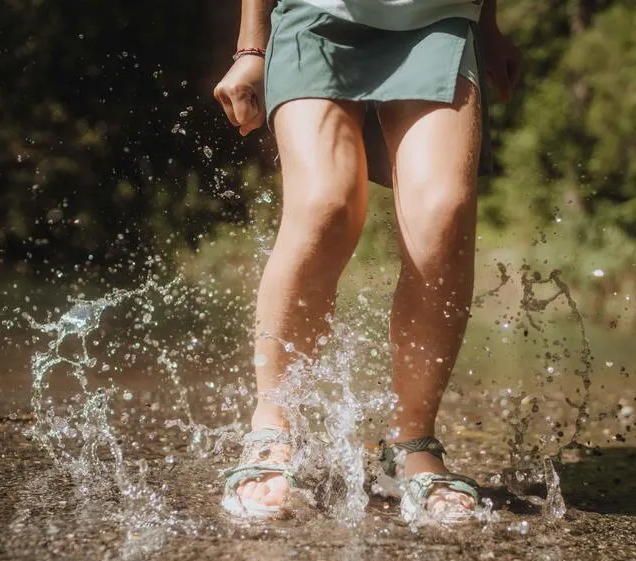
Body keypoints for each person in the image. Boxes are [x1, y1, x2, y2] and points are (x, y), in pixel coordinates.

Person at [212, 0, 521, 523]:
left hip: (439, 17)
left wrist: (487, 28)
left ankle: (412, 445)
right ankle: (271, 427)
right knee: (325, 206)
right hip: (316, 11)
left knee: (443, 214)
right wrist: (252, 45)